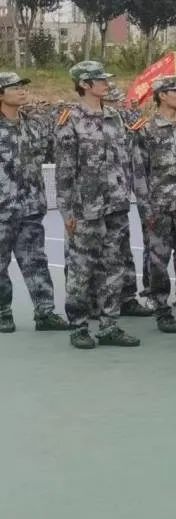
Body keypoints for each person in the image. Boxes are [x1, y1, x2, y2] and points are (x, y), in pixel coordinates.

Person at [56, 61, 141, 349]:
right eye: (100, 80)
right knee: (81, 270)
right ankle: (79, 327)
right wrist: (67, 211)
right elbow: (64, 170)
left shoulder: (114, 116)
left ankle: (109, 326)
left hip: (115, 205)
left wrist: (125, 192)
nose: (106, 83)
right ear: (84, 84)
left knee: (114, 268)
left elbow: (123, 159)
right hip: (85, 208)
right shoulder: (70, 119)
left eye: (106, 79)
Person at [0, 72, 68, 334]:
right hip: (2, 209)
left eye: (22, 86)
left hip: (31, 207)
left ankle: (45, 312)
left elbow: (53, 152)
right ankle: (3, 313)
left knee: (36, 260)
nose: (21, 90)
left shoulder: (34, 125)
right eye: (14, 87)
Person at [130, 76, 176, 335]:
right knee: (158, 261)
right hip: (160, 207)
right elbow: (139, 174)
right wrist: (147, 210)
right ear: (162, 95)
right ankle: (161, 309)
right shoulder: (146, 130)